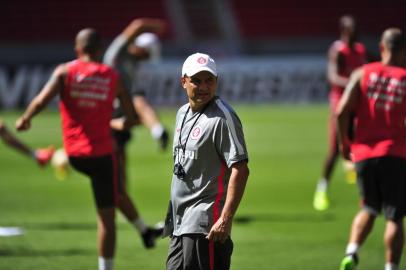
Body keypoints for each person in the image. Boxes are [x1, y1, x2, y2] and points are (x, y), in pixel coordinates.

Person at [16, 28, 139, 270]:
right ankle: (107, 267)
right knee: (107, 217)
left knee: (113, 193)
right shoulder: (113, 76)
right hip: (102, 154)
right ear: (100, 50)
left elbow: (41, 100)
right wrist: (124, 122)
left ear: (78, 49)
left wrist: (26, 118)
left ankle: (144, 229)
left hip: (74, 154)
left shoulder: (64, 72)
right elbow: (131, 115)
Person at [164, 53, 249, 270]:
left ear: (216, 81)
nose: (204, 86)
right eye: (197, 80)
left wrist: (225, 218)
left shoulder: (223, 118)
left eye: (209, 80)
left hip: (206, 222)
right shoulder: (182, 113)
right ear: (183, 81)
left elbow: (240, 169)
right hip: (180, 220)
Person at [336, 28, 406, 270]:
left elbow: (342, 110)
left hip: (364, 154)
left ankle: (351, 252)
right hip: (395, 154)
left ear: (382, 46)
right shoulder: (404, 77)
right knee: (395, 216)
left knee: (368, 206)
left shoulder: (362, 73)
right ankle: (391, 267)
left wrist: (344, 143)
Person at [103, 18, 168, 248]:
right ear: (140, 47)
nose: (147, 59)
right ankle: (141, 229)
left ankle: (139, 226)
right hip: (109, 124)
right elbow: (137, 25)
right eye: (146, 53)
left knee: (120, 183)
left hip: (121, 125)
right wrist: (157, 26)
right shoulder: (117, 55)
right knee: (116, 186)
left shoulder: (132, 64)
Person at [313, 15, 367, 211]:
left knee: (364, 145)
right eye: (351, 29)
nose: (355, 32)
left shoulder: (360, 50)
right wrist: (354, 84)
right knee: (334, 150)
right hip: (340, 106)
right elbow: (333, 76)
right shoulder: (338, 51)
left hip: (358, 106)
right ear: (343, 30)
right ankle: (322, 189)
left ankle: (366, 194)